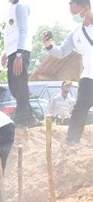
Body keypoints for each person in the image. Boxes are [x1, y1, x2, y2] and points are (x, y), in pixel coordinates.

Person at [43, 0, 93, 144]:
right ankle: (72, 141)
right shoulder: (76, 34)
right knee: (80, 108)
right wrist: (49, 45)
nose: (76, 14)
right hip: (88, 77)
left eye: (76, 10)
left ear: (85, 7)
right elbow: (61, 52)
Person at [2, 0, 35, 128]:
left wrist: (19, 54)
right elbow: (11, 34)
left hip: (20, 52)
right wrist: (6, 53)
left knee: (19, 85)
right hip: (12, 52)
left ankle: (21, 119)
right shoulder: (10, 8)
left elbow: (23, 31)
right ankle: (30, 117)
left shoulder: (21, 7)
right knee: (13, 86)